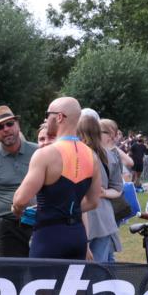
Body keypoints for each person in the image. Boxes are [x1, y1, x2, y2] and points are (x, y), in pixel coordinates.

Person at [12, 97, 101, 260]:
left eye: (48, 115)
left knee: (41, 285)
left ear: (59, 117)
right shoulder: (92, 156)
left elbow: (20, 199)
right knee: (72, 286)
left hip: (49, 236)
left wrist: (16, 210)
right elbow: (94, 201)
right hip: (77, 236)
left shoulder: (45, 154)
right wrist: (68, 208)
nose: (46, 120)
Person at [0, 105, 38, 258]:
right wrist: (4, 213)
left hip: (40, 226)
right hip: (8, 229)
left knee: (43, 277)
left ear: (18, 125)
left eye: (9, 124)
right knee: (8, 277)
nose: (6, 129)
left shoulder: (38, 152)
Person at [84, 117, 124, 263]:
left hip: (94, 219)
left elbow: (118, 188)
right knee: (99, 270)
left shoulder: (108, 156)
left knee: (93, 271)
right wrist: (104, 192)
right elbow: (118, 188)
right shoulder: (108, 155)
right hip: (101, 220)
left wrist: (103, 192)